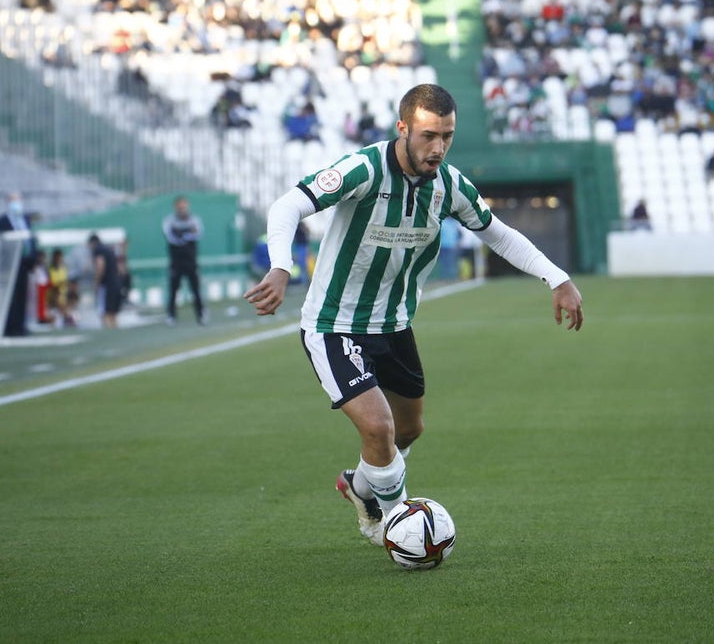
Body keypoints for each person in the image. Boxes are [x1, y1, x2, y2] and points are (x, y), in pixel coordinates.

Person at [244, 83, 584, 546]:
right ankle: (400, 530)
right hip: (334, 324)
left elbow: (499, 235)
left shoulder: (449, 185)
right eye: (428, 135)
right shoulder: (363, 168)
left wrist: (557, 278)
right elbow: (289, 205)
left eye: (447, 136)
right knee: (379, 427)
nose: (438, 147)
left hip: (395, 325)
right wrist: (281, 267)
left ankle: (361, 487)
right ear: (402, 128)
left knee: (408, 429)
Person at [0, 191, 36, 337]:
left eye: (18, 200)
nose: (16, 204)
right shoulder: (1, 222)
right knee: (11, 297)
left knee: (23, 295)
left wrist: (33, 260)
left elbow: (31, 241)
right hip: (9, 264)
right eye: (13, 201)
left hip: (24, 264)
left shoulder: (26, 220)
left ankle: (21, 325)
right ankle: (10, 327)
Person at [163, 196, 206, 325]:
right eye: (179, 207)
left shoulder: (195, 220)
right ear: (175, 208)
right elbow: (171, 237)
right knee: (173, 290)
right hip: (176, 262)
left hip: (191, 261)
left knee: (196, 289)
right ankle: (171, 315)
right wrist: (186, 233)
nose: (182, 210)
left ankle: (201, 314)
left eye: (184, 207)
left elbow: (197, 234)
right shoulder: (169, 221)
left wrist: (182, 233)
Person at [88, 234, 122, 329]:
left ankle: (109, 334)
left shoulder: (99, 250)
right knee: (113, 314)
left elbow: (100, 266)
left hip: (107, 285)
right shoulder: (109, 250)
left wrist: (96, 282)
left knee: (105, 313)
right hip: (116, 283)